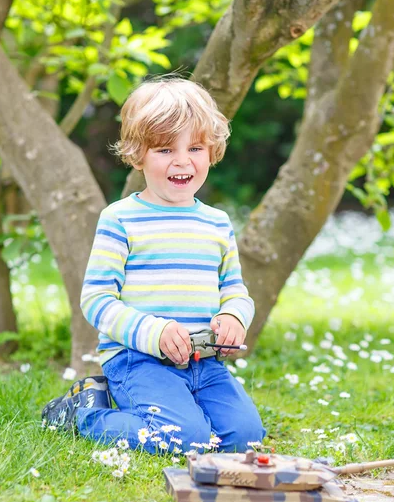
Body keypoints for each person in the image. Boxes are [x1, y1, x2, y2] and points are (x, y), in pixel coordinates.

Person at [42, 77, 265, 453]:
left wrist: (234, 317)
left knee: (245, 437)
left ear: (212, 151)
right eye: (164, 150)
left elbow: (234, 289)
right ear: (137, 154)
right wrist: (154, 332)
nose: (182, 160)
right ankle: (83, 413)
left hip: (205, 363)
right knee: (184, 438)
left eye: (195, 147)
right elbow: (97, 299)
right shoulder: (121, 219)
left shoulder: (216, 222)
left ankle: (185, 411)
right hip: (139, 361)